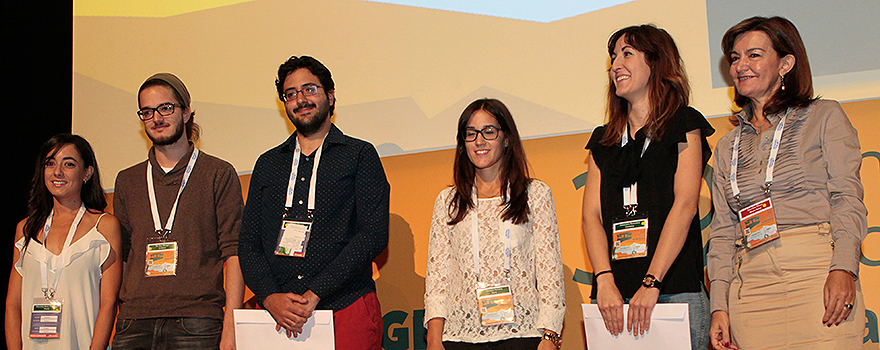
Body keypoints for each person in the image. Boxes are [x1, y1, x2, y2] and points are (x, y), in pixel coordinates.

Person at [707, 16, 867, 350]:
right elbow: (722, 232)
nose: (741, 66)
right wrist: (719, 305)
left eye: (754, 55)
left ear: (785, 63)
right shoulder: (727, 145)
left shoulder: (824, 116)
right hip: (751, 288)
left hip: (816, 274)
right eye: (735, 58)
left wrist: (844, 269)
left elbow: (847, 199)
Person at [239, 55, 390, 349]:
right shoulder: (268, 164)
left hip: (345, 307)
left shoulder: (359, 155)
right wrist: (269, 297)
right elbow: (248, 241)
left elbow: (373, 235)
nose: (301, 99)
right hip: (276, 315)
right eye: (291, 94)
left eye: (310, 89)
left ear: (330, 96)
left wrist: (316, 292)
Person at [581, 24, 713, 350]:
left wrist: (652, 282)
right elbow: (591, 218)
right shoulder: (605, 140)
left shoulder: (684, 124)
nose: (615, 66)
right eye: (613, 57)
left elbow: (685, 205)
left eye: (627, 54)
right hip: (614, 298)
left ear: (656, 62)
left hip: (671, 289)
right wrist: (604, 280)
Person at [111, 73, 244, 350]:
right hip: (134, 322)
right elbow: (122, 258)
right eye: (147, 112)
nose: (157, 118)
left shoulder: (218, 173)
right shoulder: (127, 180)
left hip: (197, 323)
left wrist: (231, 326)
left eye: (165, 108)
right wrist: (115, 321)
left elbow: (234, 253)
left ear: (186, 112)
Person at [424, 98, 565, 350]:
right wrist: (434, 338)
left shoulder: (536, 194)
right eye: (471, 133)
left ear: (507, 138)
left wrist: (550, 336)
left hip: (522, 334)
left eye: (489, 131)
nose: (480, 141)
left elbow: (549, 271)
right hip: (460, 337)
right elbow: (437, 279)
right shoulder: (447, 202)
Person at [5, 134, 122, 350]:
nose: (57, 171)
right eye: (50, 163)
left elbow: (109, 303)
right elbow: (13, 304)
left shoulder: (104, 226)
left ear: (87, 172)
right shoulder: (25, 228)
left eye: (68, 164)